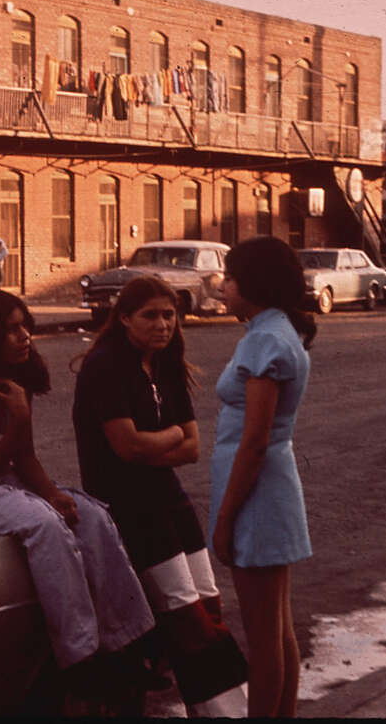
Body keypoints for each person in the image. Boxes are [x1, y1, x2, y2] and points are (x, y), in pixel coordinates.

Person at [0, 290, 155, 713]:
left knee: (91, 515)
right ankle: (80, 657)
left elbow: (23, 457)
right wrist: (19, 423)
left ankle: (128, 641)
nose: (25, 336)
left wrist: (53, 493)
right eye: (12, 329)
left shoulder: (12, 373)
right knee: (43, 525)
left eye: (26, 326)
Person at [72, 275, 248, 717]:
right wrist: (167, 437)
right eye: (150, 315)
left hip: (170, 499)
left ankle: (230, 709)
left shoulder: (166, 364)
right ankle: (227, 715)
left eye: (169, 314)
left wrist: (158, 442)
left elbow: (191, 448)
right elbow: (125, 447)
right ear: (125, 317)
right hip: (130, 507)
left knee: (208, 604)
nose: (162, 324)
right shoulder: (106, 365)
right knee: (185, 616)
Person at [210, 235, 316, 717]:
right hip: (272, 487)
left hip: (256, 493)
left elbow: (253, 441)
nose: (223, 287)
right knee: (279, 630)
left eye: (229, 278)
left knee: (263, 637)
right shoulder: (274, 330)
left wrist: (226, 518)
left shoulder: (264, 339)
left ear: (252, 283)